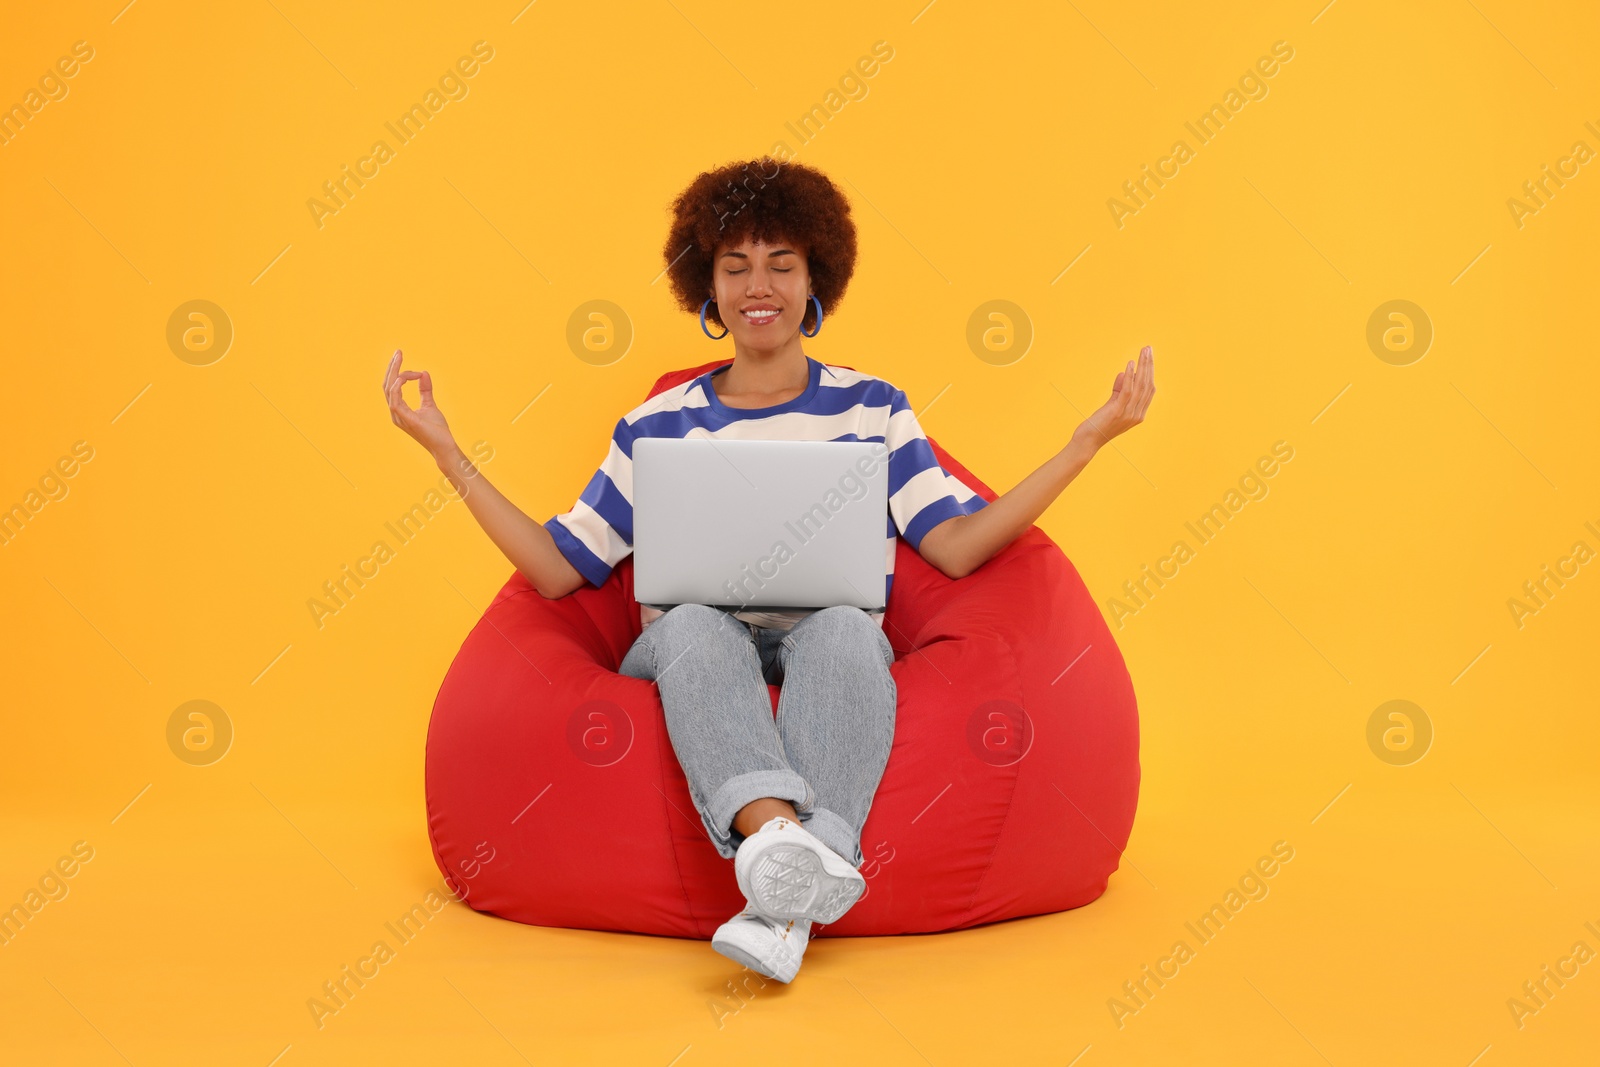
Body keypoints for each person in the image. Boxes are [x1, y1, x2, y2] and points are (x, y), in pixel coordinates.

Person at [383, 157, 1155, 983]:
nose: (760, 285)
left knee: (849, 636)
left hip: (824, 641)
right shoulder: (656, 422)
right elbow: (558, 569)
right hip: (691, 650)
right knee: (691, 623)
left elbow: (956, 545)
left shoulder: (873, 406)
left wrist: (1085, 442)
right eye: (735, 265)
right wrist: (446, 452)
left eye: (782, 264)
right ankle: (785, 844)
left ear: (815, 277)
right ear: (705, 286)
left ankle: (778, 906)